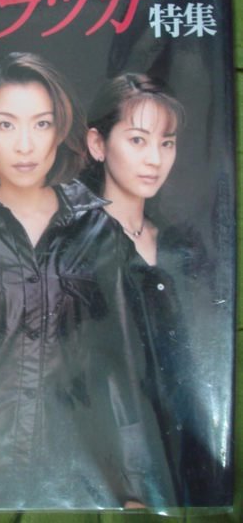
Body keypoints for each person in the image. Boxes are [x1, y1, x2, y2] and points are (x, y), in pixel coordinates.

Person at [0, 54, 176, 510]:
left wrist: (134, 485)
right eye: (6, 125)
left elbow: (123, 366)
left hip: (77, 473)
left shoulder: (98, 231)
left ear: (59, 130)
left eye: (42, 124)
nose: (25, 145)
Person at [84, 73, 229, 505]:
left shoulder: (182, 245)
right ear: (97, 144)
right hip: (120, 475)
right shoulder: (74, 249)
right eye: (137, 140)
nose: (155, 159)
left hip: (194, 459)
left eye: (167, 143)